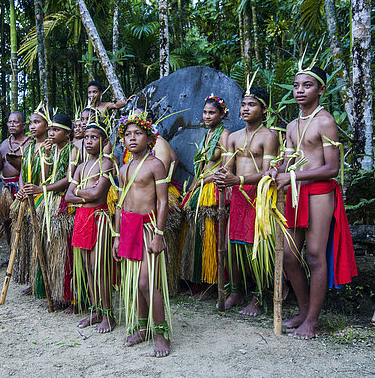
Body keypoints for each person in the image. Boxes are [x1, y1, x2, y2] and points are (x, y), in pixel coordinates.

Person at [269, 65, 357, 339]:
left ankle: (313, 321)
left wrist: (292, 175)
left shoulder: (325, 121)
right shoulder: (292, 125)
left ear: (321, 89)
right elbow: (286, 161)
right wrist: (276, 170)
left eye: (307, 85)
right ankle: (304, 311)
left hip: (319, 192)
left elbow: (332, 167)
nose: (299, 91)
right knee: (289, 256)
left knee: (315, 255)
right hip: (295, 192)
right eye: (296, 86)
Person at [214, 86, 279, 315]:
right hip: (237, 195)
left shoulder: (269, 137)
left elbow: (268, 172)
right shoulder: (233, 137)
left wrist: (236, 180)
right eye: (243, 104)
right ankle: (236, 290)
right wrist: (220, 176)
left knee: (255, 247)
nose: (245, 109)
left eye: (251, 104)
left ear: (264, 109)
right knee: (232, 247)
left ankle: (260, 295)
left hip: (257, 198)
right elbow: (226, 168)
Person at [114, 112, 171, 358]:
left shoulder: (155, 164)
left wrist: (159, 234)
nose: (132, 138)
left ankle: (161, 333)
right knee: (133, 282)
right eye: (128, 134)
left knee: (147, 281)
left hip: (148, 227)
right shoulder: (125, 168)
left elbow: (163, 202)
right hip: (127, 227)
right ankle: (142, 328)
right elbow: (120, 203)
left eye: (138, 133)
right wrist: (116, 235)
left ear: (149, 138)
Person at [17, 113, 76, 307]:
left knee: (62, 248)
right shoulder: (50, 150)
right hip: (47, 200)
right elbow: (47, 175)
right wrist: (48, 156)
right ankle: (46, 286)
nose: (51, 133)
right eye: (50, 129)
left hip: (62, 202)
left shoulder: (72, 150)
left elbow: (68, 179)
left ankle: (68, 296)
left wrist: (40, 189)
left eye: (56, 130)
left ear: (68, 134)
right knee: (44, 245)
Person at [66, 120, 115, 333]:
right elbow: (68, 196)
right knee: (87, 267)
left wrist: (79, 193)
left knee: (99, 267)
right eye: (86, 137)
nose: (88, 141)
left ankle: (108, 315)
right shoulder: (80, 167)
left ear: (103, 141)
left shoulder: (107, 164)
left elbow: (98, 194)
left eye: (94, 137)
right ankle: (95, 311)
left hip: (98, 217)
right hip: (82, 219)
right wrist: (84, 195)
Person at [180, 94, 230, 299]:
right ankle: (198, 282)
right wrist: (194, 184)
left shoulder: (224, 135)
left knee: (211, 235)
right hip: (200, 186)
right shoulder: (207, 135)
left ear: (222, 114)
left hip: (212, 188)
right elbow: (202, 164)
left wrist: (203, 181)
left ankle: (214, 285)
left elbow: (226, 167)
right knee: (196, 235)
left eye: (212, 112)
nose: (207, 116)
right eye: (205, 112)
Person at [11, 108, 50, 291]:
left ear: (47, 125)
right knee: (29, 241)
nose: (33, 127)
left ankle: (45, 282)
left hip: (43, 198)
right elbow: (22, 173)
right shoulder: (28, 148)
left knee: (43, 241)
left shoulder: (50, 147)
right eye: (32, 123)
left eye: (37, 122)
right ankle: (33, 280)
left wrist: (37, 190)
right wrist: (21, 190)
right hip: (28, 197)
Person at [0, 111, 29, 235]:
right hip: (6, 189)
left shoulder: (30, 143)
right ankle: (11, 248)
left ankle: (24, 251)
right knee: (7, 219)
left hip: (23, 187)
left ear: (23, 125)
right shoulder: (4, 144)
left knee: (24, 219)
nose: (12, 125)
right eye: (10, 122)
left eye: (16, 122)